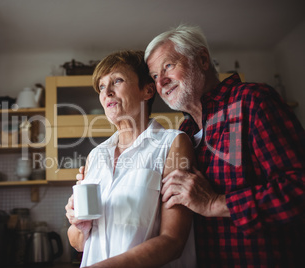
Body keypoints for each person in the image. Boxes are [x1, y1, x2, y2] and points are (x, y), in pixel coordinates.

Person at [143, 24, 305, 267]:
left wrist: (215, 203)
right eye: (155, 76)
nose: (161, 81)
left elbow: (298, 188)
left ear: (202, 59)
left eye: (168, 66)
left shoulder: (252, 101)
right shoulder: (182, 135)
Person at [65, 50, 197, 268]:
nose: (107, 92)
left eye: (117, 80)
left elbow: (173, 241)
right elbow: (78, 243)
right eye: (101, 86)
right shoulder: (95, 157)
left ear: (147, 90)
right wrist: (78, 222)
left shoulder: (172, 144)